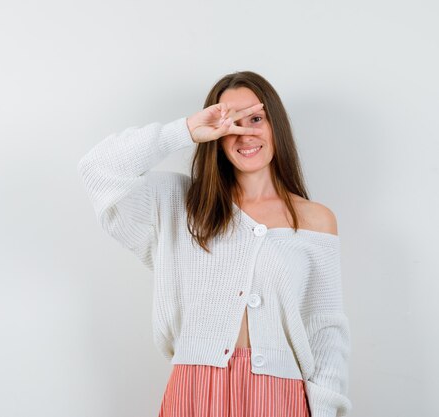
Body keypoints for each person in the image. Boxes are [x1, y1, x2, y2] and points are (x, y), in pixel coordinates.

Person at [77, 71, 352, 417]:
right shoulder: (180, 204)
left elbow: (326, 331)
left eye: (255, 119)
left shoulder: (315, 220)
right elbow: (97, 170)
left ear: (275, 126)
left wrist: (325, 411)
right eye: (230, 122)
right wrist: (187, 130)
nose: (244, 133)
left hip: (280, 397)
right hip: (194, 391)